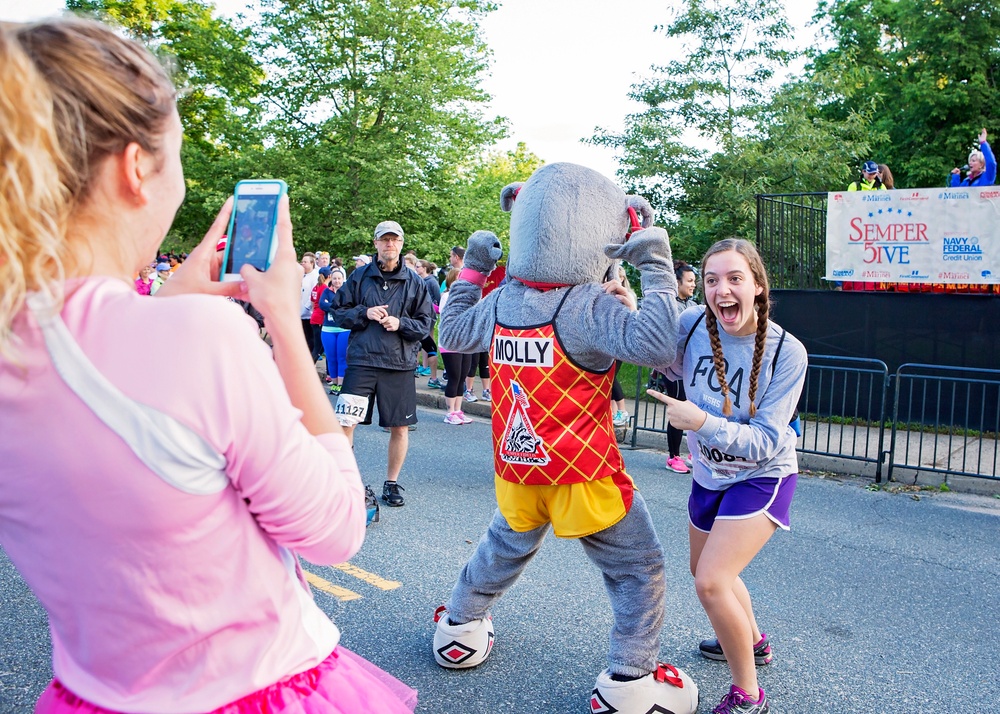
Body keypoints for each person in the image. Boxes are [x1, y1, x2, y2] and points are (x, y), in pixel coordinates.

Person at [0, 16, 416, 714]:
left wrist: (161, 297)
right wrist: (283, 318)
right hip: (257, 688)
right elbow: (337, 528)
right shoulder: (200, 333)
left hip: (91, 692)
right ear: (136, 168)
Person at [648, 238, 807, 714]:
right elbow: (657, 354)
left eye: (735, 278)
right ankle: (753, 640)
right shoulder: (692, 323)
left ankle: (748, 693)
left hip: (763, 475)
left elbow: (763, 440)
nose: (722, 290)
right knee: (709, 571)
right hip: (709, 473)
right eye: (712, 280)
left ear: (757, 286)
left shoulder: (788, 352)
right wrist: (630, 309)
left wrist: (699, 421)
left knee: (711, 582)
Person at [328, 220, 434, 508]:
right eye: (384, 240)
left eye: (395, 240)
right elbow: (338, 312)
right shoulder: (359, 277)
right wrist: (365, 312)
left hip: (398, 364)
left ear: (401, 243)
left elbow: (426, 324)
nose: (390, 244)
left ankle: (391, 483)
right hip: (362, 361)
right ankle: (345, 482)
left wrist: (400, 323)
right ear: (375, 243)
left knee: (399, 427)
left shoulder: (415, 282)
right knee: (346, 422)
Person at [663, 261, 699, 474]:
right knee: (678, 409)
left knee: (695, 409)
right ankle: (673, 457)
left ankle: (693, 452)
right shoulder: (669, 306)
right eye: (690, 281)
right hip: (674, 367)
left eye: (695, 281)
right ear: (677, 282)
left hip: (693, 367)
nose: (693, 285)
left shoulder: (694, 307)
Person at [438, 269, 474, 424]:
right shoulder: (447, 296)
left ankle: (458, 410)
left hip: (465, 342)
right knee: (454, 376)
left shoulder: (468, 297)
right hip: (451, 342)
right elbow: (447, 315)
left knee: (462, 377)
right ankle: (449, 412)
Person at [320, 268, 350, 394]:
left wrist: (331, 306)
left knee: (341, 357)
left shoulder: (347, 292)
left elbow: (347, 306)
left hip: (343, 329)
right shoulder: (327, 292)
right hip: (328, 329)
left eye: (339, 278)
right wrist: (335, 307)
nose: (337, 281)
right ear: (331, 279)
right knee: (331, 357)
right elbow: (322, 304)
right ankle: (334, 383)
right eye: (335, 278)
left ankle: (341, 384)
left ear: (343, 279)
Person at [415, 259, 441, 382]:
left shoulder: (431, 282)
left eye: (418, 267)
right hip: (416, 318)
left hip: (427, 317)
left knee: (428, 342)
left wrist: (433, 308)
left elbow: (438, 299)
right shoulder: (417, 280)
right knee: (420, 343)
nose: (416, 269)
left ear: (424, 268)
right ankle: (423, 369)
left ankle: (431, 375)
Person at [310, 266, 332, 366]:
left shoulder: (316, 286)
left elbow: (312, 303)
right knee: (319, 347)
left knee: (317, 346)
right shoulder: (325, 288)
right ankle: (309, 367)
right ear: (330, 276)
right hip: (320, 319)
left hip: (314, 317)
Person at [300, 251, 319, 358]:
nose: (302, 263)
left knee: (310, 338)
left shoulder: (315, 276)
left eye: (305, 262)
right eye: (302, 261)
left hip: (308, 313)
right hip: (299, 312)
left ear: (312, 263)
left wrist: (306, 308)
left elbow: (312, 294)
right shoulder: (302, 275)